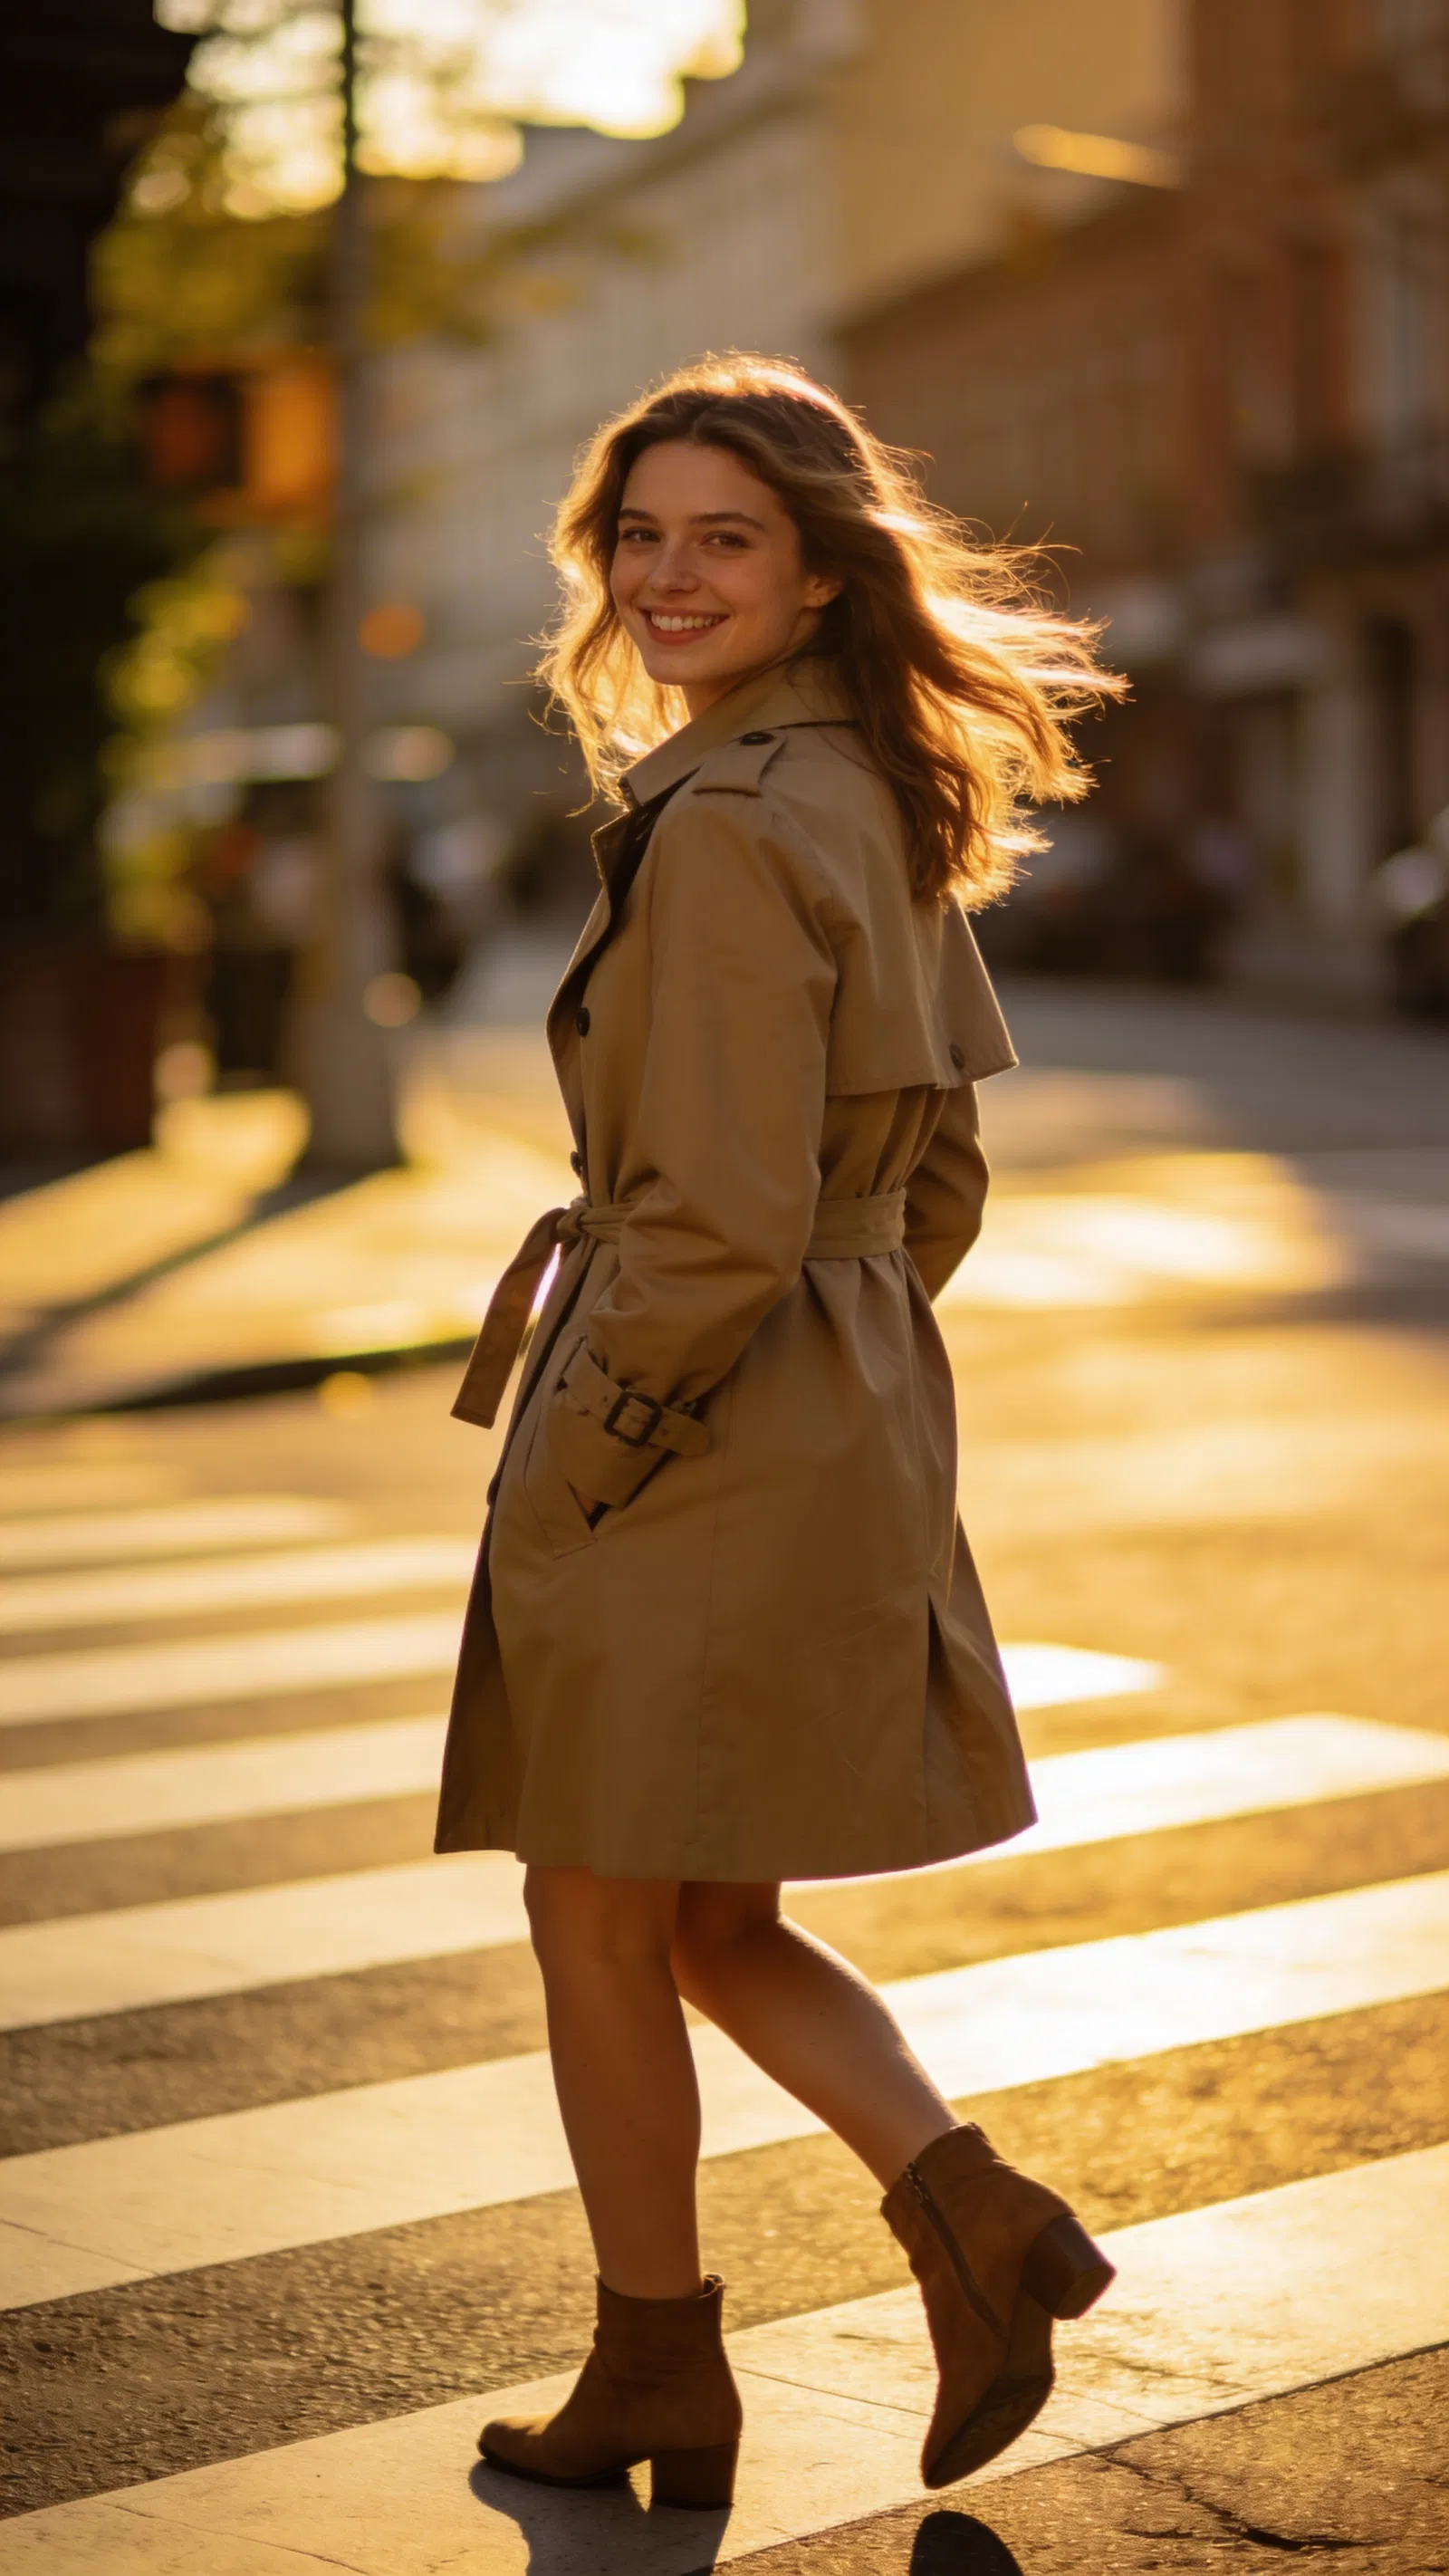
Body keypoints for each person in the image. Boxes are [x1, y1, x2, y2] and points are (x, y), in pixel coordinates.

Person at [437, 354, 1123, 2512]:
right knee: (706, 1919)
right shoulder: (865, 792)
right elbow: (938, 1187)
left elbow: (717, 1223)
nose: (667, 576)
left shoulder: (733, 822)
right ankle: (974, 2221)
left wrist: (581, 1463)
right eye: (636, 536)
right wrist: (842, 1363)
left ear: (819, 572)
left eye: (721, 538)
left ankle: (656, 2369)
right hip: (819, 1407)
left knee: (592, 1912)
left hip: (692, 1421)